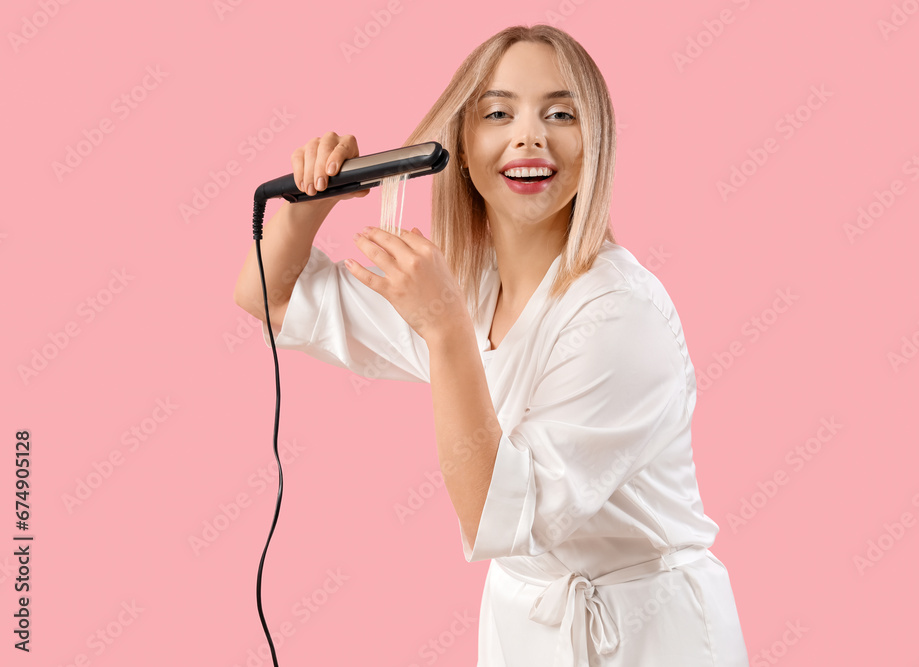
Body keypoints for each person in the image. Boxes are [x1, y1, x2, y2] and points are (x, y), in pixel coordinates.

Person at [233, 24, 750, 667]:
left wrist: (444, 330)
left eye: (560, 113)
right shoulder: (470, 290)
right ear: (462, 147)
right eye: (498, 113)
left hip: (647, 634)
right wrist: (314, 201)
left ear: (596, 144)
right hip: (524, 629)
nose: (529, 136)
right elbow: (268, 297)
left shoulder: (620, 316)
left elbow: (494, 519)